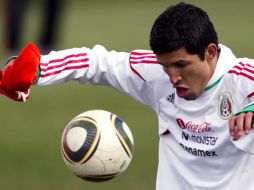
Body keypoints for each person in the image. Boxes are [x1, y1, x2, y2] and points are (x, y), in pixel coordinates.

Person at [0, 2, 254, 190]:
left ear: (210, 52)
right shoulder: (158, 74)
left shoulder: (243, 78)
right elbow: (96, 62)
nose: (173, 77)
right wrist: (39, 67)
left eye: (181, 65)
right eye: (166, 66)